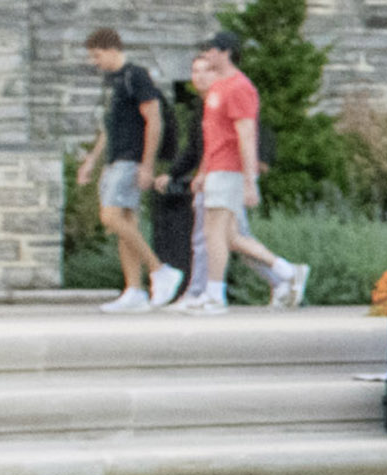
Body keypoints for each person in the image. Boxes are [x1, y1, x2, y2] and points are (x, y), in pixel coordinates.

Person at [179, 34, 307, 312]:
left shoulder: (239, 87)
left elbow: (246, 135)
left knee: (213, 231)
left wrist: (250, 181)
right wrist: (203, 171)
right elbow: (213, 136)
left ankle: (215, 293)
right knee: (231, 236)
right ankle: (287, 272)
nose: (207, 55)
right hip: (217, 167)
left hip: (229, 169)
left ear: (225, 53)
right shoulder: (218, 88)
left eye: (211, 50)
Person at [75, 28, 179, 312]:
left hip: (131, 159)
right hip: (114, 159)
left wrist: (147, 164)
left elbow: (154, 120)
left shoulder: (136, 76)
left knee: (110, 216)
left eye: (97, 55)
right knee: (126, 224)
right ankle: (134, 290)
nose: (94, 62)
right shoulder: (112, 82)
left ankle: (160, 270)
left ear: (111, 49)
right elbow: (108, 128)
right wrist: (91, 161)